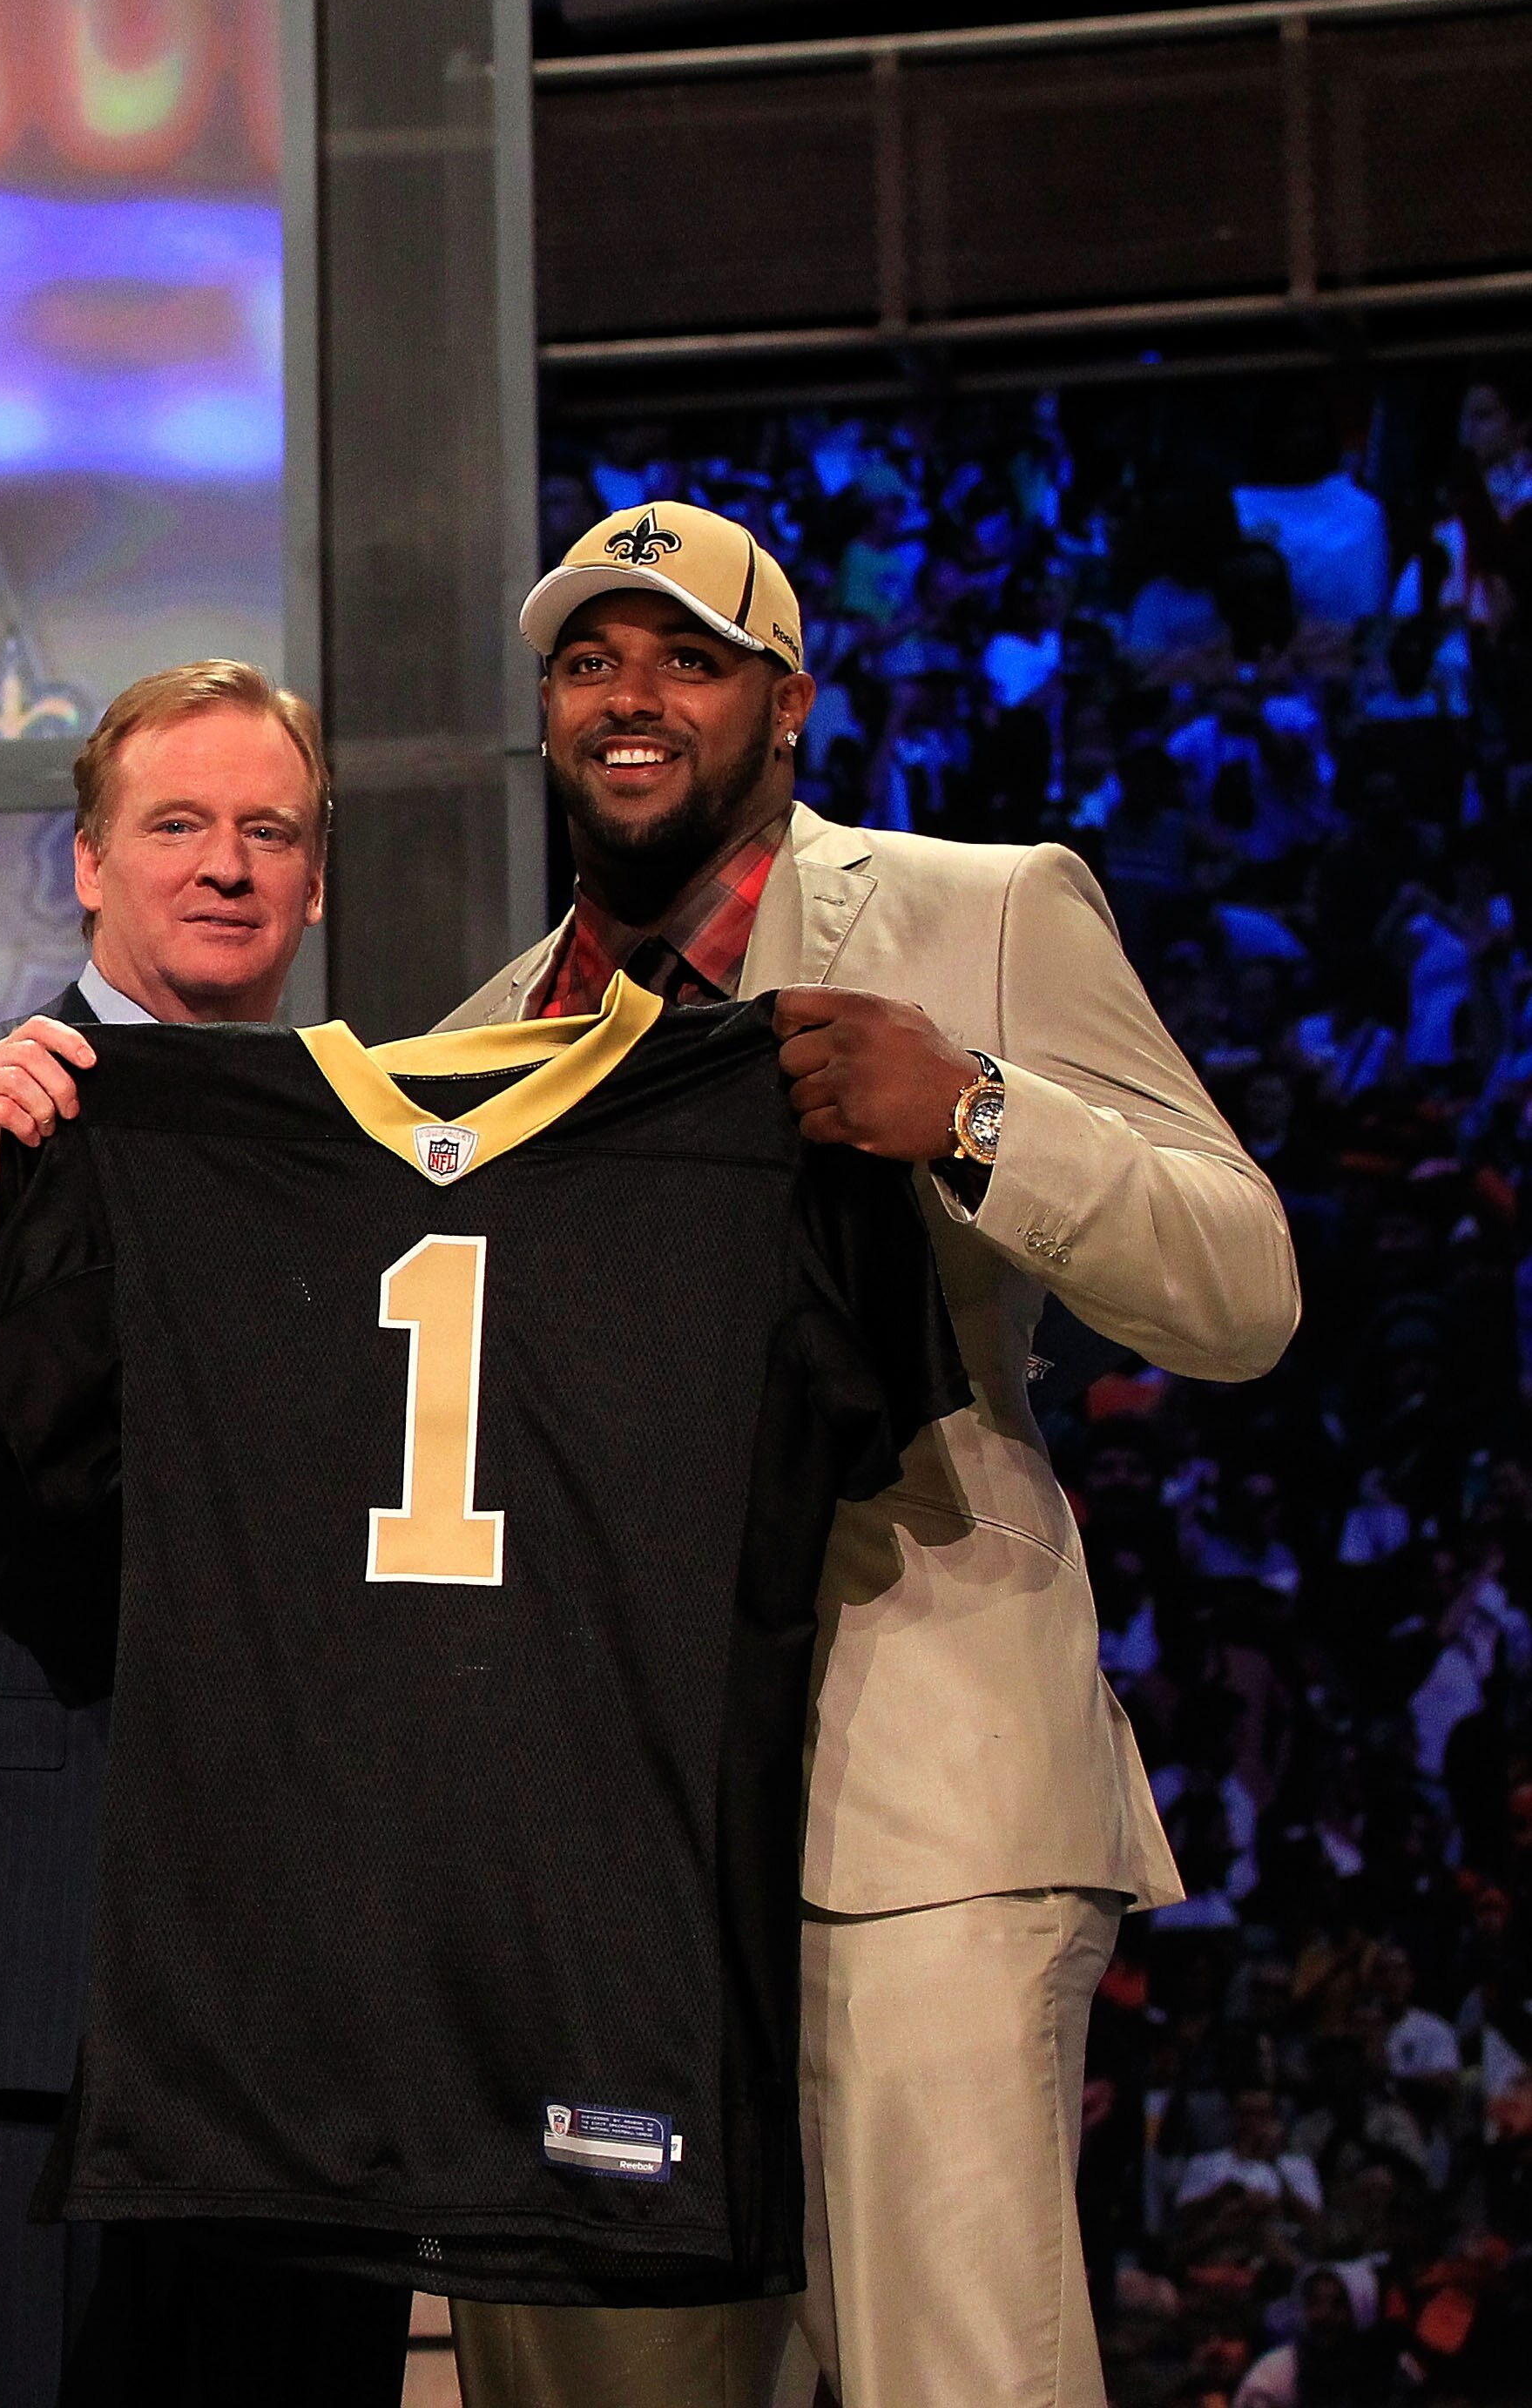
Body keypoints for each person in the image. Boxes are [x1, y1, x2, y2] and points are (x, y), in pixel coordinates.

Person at [437, 501, 1300, 2408]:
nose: (631, 698)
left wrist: (974, 1112)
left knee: (956, 2379)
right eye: (590, 661)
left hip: (917, 1804)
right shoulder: (484, 1043)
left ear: (787, 706)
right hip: (608, 1851)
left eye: (686, 657)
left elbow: (1242, 1287)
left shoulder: (982, 912)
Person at [0, 660, 407, 2406]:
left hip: (303, 2000)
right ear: (86, 863)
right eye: (177, 823)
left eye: (270, 831)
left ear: (317, 878)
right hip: (6, 1967)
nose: (227, 864)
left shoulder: (391, 1151)